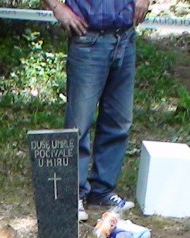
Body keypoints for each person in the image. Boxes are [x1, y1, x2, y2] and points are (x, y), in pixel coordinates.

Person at [43, 0, 150, 221]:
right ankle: (73, 194)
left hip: (125, 38)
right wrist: (57, 8)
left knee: (119, 121)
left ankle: (102, 191)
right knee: (78, 125)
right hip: (88, 39)